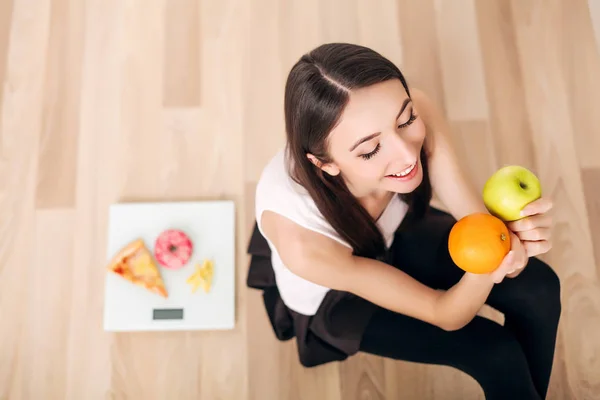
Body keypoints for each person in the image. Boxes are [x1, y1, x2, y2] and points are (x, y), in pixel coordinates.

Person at [246, 43, 561, 400]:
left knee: (540, 287)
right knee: (495, 354)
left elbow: (477, 224)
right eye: (369, 150)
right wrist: (491, 259)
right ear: (325, 164)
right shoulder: (304, 246)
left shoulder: (417, 110)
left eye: (406, 120)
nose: (407, 153)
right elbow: (445, 313)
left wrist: (510, 244)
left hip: (393, 233)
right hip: (337, 296)